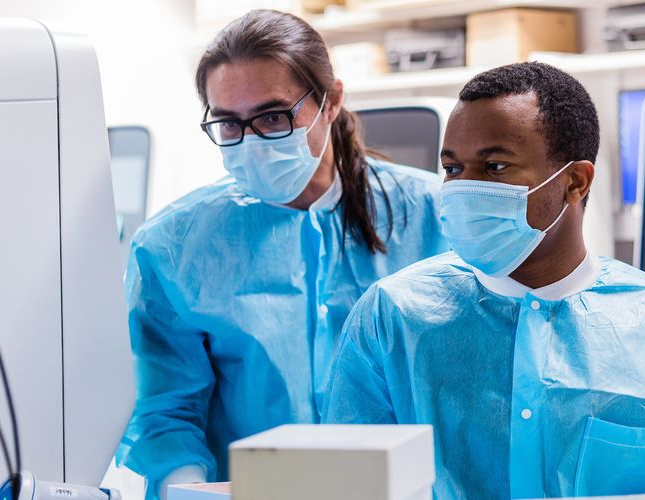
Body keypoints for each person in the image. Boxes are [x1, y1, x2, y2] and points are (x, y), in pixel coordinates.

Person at [323, 62, 645, 499]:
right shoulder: (394, 317)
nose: (465, 188)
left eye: (495, 167)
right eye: (454, 169)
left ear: (575, 181)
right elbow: (347, 483)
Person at [114, 10, 447, 499]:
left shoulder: (434, 217)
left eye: (273, 117)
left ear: (331, 101)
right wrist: (186, 488)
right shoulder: (174, 246)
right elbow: (165, 409)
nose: (251, 142)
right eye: (228, 124)